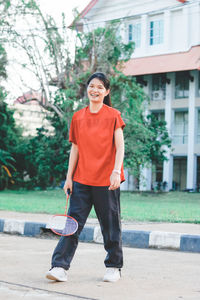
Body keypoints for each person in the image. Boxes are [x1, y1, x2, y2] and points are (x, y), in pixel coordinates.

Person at [46, 72, 125, 283]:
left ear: (106, 91)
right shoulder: (78, 117)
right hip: (81, 180)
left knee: (110, 226)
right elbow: (75, 148)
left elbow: (120, 147)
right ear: (87, 89)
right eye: (92, 86)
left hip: (106, 181)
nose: (95, 90)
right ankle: (59, 267)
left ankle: (114, 267)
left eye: (100, 87)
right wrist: (69, 177)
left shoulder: (113, 115)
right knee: (71, 224)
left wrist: (116, 171)